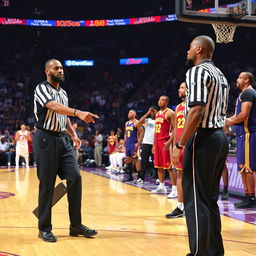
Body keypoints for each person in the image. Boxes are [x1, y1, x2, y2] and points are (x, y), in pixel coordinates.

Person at [172, 35, 229, 256]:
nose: (187, 52)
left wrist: (180, 143)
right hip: (219, 137)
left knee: (195, 200)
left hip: (202, 138)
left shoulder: (196, 71)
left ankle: (198, 253)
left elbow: (196, 110)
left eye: (189, 48)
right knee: (209, 199)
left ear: (198, 49)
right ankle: (214, 251)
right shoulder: (220, 74)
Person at [33, 59, 98, 242]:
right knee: (47, 184)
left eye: (61, 68)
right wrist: (78, 112)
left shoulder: (63, 92)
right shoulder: (42, 88)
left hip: (62, 139)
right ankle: (44, 227)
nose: (60, 70)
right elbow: (53, 107)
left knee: (75, 177)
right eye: (56, 68)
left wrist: (73, 134)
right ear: (47, 71)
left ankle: (75, 225)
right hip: (45, 138)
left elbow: (64, 114)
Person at [226, 72, 256, 208]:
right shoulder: (243, 94)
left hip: (249, 134)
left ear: (246, 80)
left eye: (239, 77)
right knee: (243, 168)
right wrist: (230, 119)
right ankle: (247, 195)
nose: (237, 80)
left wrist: (229, 122)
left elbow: (244, 115)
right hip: (242, 135)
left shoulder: (248, 93)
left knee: (248, 168)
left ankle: (251, 197)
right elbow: (238, 114)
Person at [166, 82, 186, 218]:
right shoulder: (178, 107)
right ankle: (180, 206)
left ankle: (191, 206)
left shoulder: (194, 105)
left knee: (192, 176)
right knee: (180, 174)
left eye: (182, 87)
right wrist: (174, 146)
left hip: (191, 144)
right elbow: (175, 130)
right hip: (179, 145)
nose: (179, 89)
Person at [151, 95, 177, 198]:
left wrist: (170, 141)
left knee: (169, 167)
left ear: (166, 102)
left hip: (165, 142)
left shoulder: (170, 112)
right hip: (157, 142)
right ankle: (162, 186)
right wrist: (153, 144)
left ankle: (175, 189)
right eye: (159, 100)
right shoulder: (157, 114)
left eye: (162, 100)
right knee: (159, 165)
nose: (160, 102)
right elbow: (155, 131)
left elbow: (175, 129)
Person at [135, 106, 157, 184]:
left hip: (155, 143)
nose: (152, 113)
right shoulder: (148, 120)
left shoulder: (159, 120)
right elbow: (138, 123)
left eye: (154, 111)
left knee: (156, 162)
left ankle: (158, 178)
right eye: (151, 111)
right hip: (146, 142)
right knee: (144, 162)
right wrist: (148, 113)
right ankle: (141, 178)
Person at [123, 109, 144, 181]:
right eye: (128, 112)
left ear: (134, 114)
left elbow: (141, 132)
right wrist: (124, 142)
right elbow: (126, 133)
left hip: (134, 143)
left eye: (131, 112)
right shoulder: (126, 123)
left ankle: (139, 176)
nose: (129, 114)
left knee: (136, 159)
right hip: (128, 143)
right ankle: (130, 176)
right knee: (128, 159)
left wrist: (139, 142)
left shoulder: (136, 122)